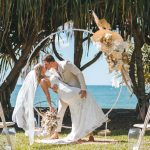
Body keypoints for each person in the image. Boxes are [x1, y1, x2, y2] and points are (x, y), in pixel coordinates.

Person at [40, 54, 105, 141]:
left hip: (77, 92)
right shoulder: (52, 71)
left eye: (46, 64)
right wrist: (54, 89)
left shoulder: (66, 64)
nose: (45, 66)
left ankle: (90, 134)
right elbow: (58, 85)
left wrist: (83, 89)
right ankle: (56, 133)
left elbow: (79, 73)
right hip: (65, 94)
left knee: (83, 112)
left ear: (51, 62)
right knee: (60, 112)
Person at [12, 64, 54, 145]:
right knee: (26, 114)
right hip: (25, 98)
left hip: (23, 97)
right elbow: (43, 78)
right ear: (40, 70)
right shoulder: (34, 76)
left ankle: (29, 129)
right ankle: (30, 130)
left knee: (26, 114)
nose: (45, 70)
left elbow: (43, 76)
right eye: (44, 69)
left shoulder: (34, 74)